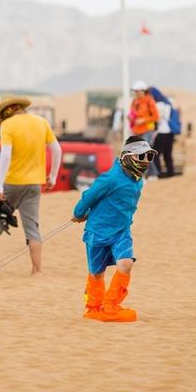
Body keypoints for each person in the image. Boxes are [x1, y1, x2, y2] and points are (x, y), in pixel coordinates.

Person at [0, 96, 62, 275]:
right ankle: (37, 269)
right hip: (34, 183)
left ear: (8, 111)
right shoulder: (41, 122)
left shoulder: (8, 126)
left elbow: (6, 156)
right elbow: (57, 149)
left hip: (12, 182)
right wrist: (53, 177)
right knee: (32, 225)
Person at [71, 135, 155, 322]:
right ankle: (93, 308)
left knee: (126, 264)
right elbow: (90, 196)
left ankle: (111, 306)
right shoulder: (109, 179)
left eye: (148, 157)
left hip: (121, 232)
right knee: (96, 272)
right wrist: (78, 213)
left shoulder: (138, 180)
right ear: (126, 156)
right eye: (139, 156)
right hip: (97, 231)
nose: (145, 161)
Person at [128, 81, 159, 179]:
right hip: (137, 131)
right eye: (135, 91)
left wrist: (143, 120)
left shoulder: (150, 101)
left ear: (143, 91)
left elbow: (156, 116)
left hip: (148, 130)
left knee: (145, 152)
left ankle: (151, 174)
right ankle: (150, 174)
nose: (136, 93)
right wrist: (130, 118)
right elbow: (132, 113)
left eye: (138, 91)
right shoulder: (135, 101)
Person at [150, 89, 175, 178]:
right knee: (168, 155)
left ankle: (159, 173)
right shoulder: (168, 105)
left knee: (155, 154)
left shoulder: (157, 106)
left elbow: (157, 119)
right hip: (170, 133)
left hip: (161, 133)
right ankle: (171, 173)